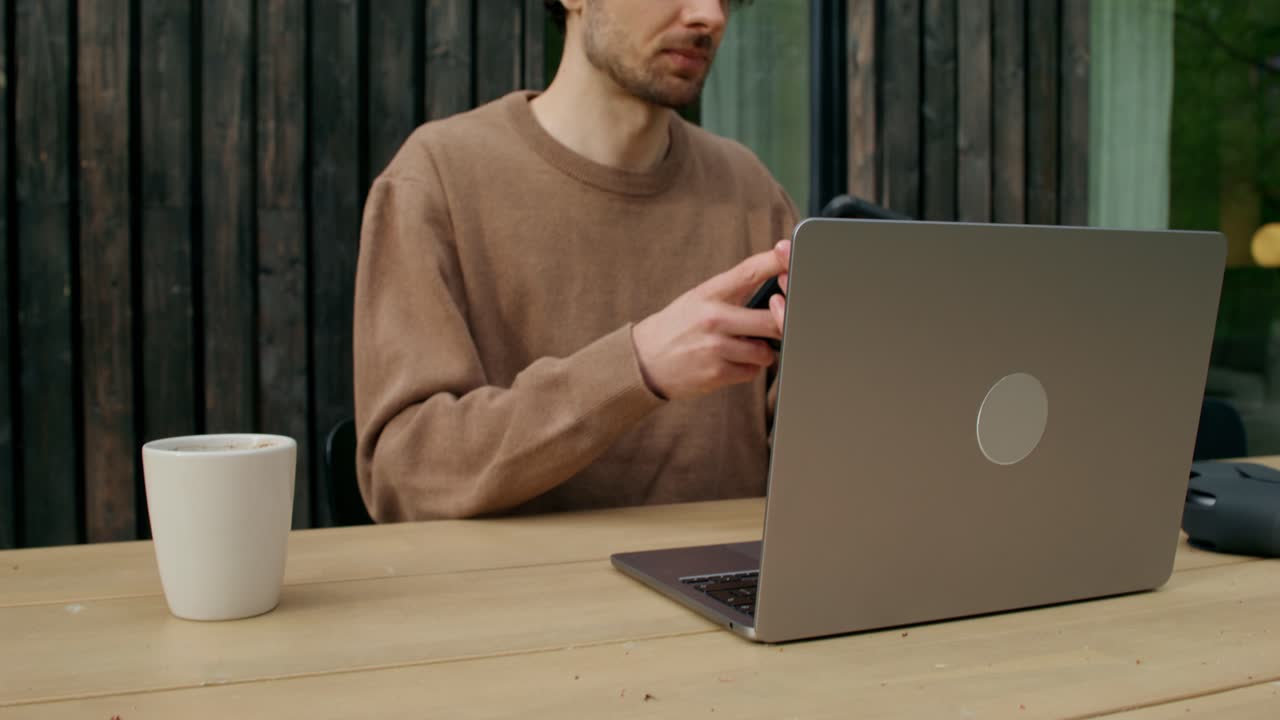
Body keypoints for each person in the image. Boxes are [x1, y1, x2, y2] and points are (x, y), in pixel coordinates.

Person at [354, 0, 799, 521]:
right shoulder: (435, 180)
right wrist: (635, 367)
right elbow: (409, 476)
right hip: (524, 595)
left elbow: (819, 453)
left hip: (727, 587)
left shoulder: (749, 190)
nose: (710, 16)